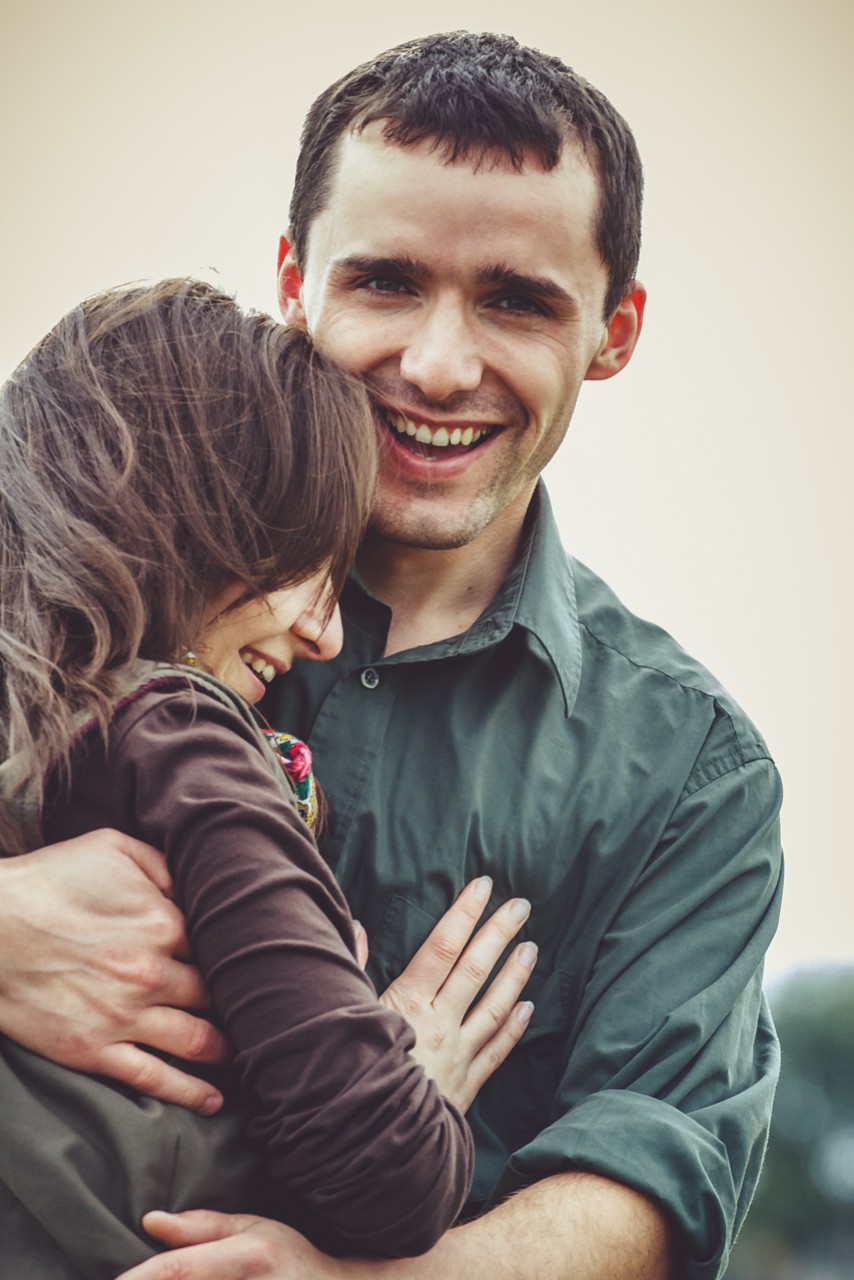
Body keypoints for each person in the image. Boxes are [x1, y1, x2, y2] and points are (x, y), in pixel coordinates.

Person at [0, 31, 783, 1280]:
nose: (435, 363)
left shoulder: (692, 767)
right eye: (384, 281)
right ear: (293, 280)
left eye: (515, 299)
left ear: (613, 330)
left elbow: (656, 1168)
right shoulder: (71, 546)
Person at [0, 278, 535, 1277]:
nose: (326, 632)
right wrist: (408, 1062)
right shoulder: (181, 731)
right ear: (196, 516)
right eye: (311, 566)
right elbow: (383, 1171)